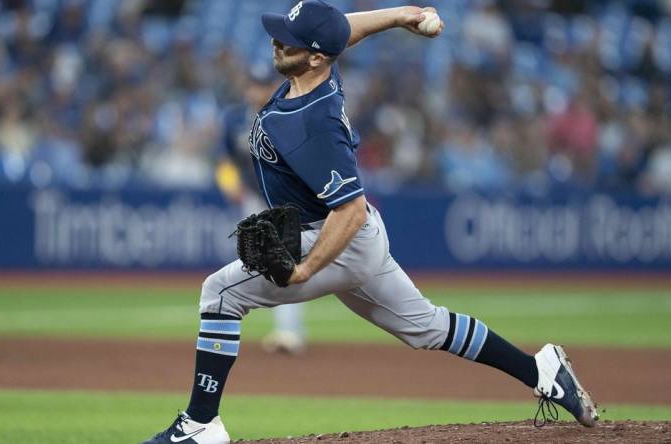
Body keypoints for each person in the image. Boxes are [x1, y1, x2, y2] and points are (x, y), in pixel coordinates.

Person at [141, 2, 598, 443]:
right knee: (429, 328)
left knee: (219, 293)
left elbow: (351, 208)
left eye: (289, 40)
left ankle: (201, 424)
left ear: (315, 56)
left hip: (338, 236)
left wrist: (303, 270)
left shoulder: (311, 123)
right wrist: (401, 15)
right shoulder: (319, 70)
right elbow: (344, 30)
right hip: (361, 240)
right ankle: (541, 370)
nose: (277, 43)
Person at [215, 64, 307, 354]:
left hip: (284, 201)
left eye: (264, 84)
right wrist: (230, 186)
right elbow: (223, 161)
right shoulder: (234, 118)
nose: (258, 90)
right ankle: (265, 327)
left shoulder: (288, 114)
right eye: (254, 84)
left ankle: (289, 331)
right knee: (258, 263)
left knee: (284, 261)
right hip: (252, 199)